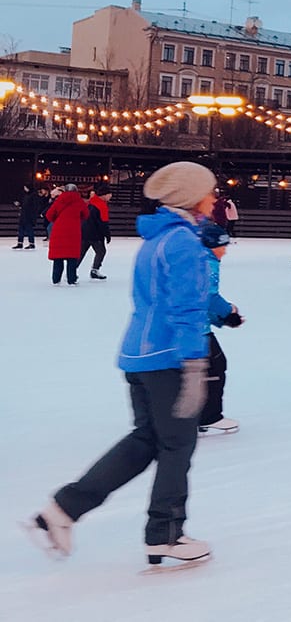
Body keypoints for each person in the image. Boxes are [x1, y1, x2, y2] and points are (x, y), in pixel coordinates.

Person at [24, 161, 218, 567]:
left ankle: (62, 511)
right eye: (210, 191)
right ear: (192, 197)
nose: (215, 198)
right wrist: (195, 366)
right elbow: (185, 307)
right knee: (177, 444)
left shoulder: (158, 239)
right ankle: (166, 533)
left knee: (147, 440)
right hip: (168, 358)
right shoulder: (183, 242)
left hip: (139, 353)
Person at [198, 221, 245, 436]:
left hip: (193, 323)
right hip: (194, 327)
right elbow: (207, 296)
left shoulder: (199, 260)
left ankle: (197, 415)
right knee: (215, 365)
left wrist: (223, 318)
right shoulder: (207, 263)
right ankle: (209, 416)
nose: (225, 252)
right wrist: (228, 313)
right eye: (222, 247)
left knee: (201, 369)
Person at [45, 183, 88, 286]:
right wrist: (77, 219)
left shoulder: (59, 200)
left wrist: (57, 220)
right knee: (72, 258)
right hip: (74, 231)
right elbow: (86, 214)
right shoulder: (79, 201)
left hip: (58, 231)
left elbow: (49, 215)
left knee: (58, 258)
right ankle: (71, 279)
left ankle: (56, 279)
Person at [79, 184, 112, 281]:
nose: (111, 196)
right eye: (109, 194)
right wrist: (107, 235)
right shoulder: (102, 206)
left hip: (84, 231)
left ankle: (71, 270)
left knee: (81, 253)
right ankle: (95, 270)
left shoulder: (91, 203)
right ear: (104, 195)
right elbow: (103, 223)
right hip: (95, 234)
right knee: (101, 251)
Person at [14, 182, 41, 249]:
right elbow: (25, 205)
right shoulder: (26, 195)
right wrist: (20, 204)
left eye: (25, 187)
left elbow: (34, 206)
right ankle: (20, 243)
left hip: (29, 216)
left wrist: (33, 216)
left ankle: (31, 243)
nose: (24, 188)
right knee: (21, 230)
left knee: (29, 230)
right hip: (24, 215)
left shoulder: (33, 195)